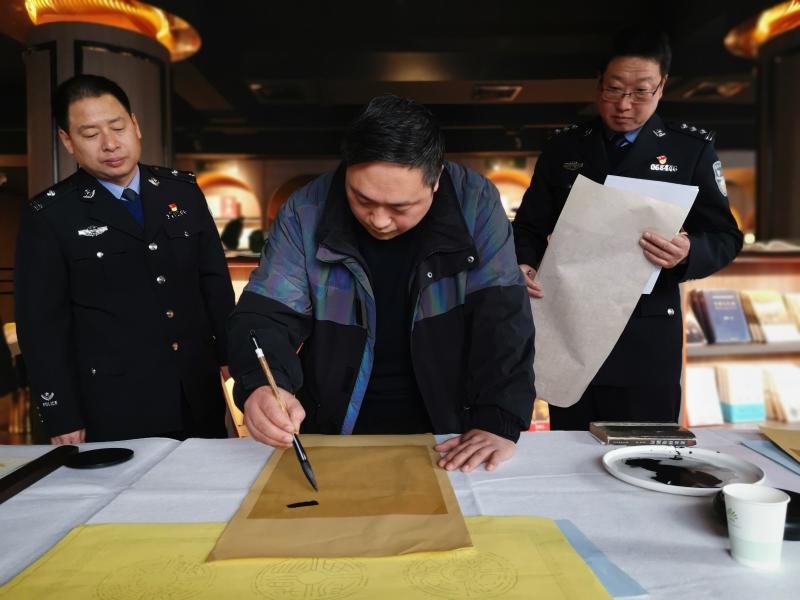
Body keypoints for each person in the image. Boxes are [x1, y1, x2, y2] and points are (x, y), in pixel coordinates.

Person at [228, 95, 534, 472]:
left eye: (400, 208)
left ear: (436, 179)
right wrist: (261, 385)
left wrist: (498, 418)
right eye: (362, 199)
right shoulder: (306, 210)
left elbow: (502, 315)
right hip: (334, 425)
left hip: (449, 428)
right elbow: (266, 314)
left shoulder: (475, 203)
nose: (379, 220)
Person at [513, 28, 743, 430]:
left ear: (662, 86)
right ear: (598, 82)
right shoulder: (565, 147)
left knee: (646, 449)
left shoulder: (689, 149)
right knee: (572, 444)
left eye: (640, 92)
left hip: (645, 333)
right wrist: (523, 263)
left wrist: (689, 252)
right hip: (570, 324)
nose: (624, 105)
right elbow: (528, 227)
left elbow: (725, 236)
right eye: (614, 89)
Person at [15, 74, 235, 443]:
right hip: (114, 405)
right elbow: (41, 326)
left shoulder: (181, 191)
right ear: (67, 141)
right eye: (90, 134)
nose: (110, 143)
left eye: (118, 127)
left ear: (135, 125)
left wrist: (233, 356)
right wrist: (61, 414)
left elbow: (213, 282)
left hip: (196, 391)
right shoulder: (50, 214)